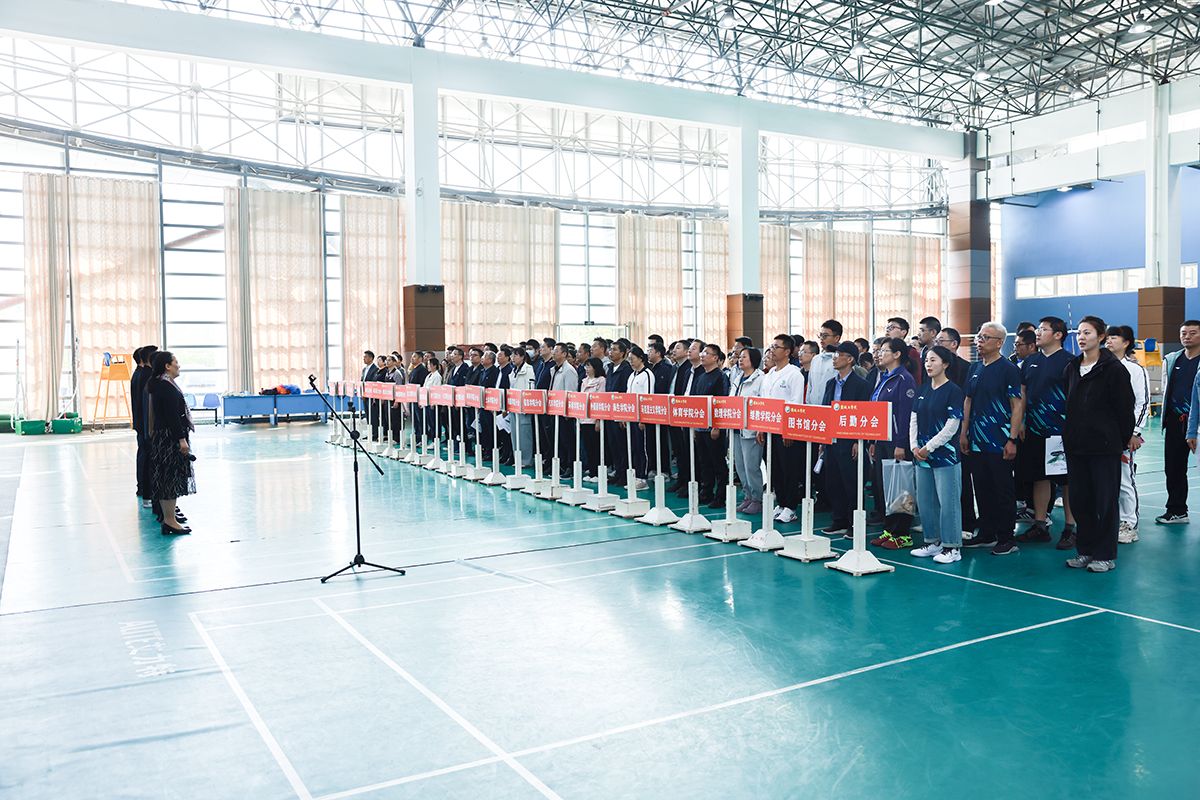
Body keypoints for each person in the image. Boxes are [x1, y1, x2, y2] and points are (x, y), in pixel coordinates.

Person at [1063, 316, 1134, 573]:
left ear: (1101, 337)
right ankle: (1085, 550)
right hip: (1076, 447)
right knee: (1081, 501)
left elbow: (1125, 410)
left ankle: (1104, 554)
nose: (1081, 337)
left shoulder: (1114, 370)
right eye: (1079, 333)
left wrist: (1118, 440)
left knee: (1105, 502)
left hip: (1105, 448)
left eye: (1088, 333)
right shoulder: (1072, 368)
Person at [961, 321, 1024, 556]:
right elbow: (968, 401)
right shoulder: (975, 368)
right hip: (976, 440)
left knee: (1002, 489)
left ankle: (1007, 537)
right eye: (978, 336)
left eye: (985, 337)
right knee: (982, 487)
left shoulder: (1008, 369)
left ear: (999, 343)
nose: (979, 341)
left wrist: (1012, 439)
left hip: (999, 440)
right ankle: (986, 533)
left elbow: (1016, 405)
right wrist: (964, 432)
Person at [1014, 316, 1075, 548]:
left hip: (1060, 433)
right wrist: (1020, 422)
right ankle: (1040, 525)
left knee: (1066, 481)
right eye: (1038, 329)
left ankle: (1070, 528)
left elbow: (1075, 397)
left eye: (1043, 329)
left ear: (1058, 335)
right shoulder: (1030, 361)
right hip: (1034, 430)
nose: (1038, 333)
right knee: (1039, 477)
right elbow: (1022, 394)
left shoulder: (1070, 362)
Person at [909, 346, 965, 564]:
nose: (928, 364)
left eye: (933, 360)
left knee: (948, 502)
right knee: (926, 501)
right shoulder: (923, 389)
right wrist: (914, 446)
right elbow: (914, 419)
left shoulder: (953, 391)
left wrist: (929, 447)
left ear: (945, 364)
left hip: (945, 457)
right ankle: (932, 542)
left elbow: (952, 426)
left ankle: (952, 547)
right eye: (926, 360)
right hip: (921, 456)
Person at [868, 337, 918, 550]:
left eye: (884, 350)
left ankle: (902, 533)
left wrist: (901, 443)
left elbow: (906, 415)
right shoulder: (885, 377)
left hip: (896, 442)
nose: (880, 354)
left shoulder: (904, 379)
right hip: (882, 440)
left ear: (897, 354)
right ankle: (889, 529)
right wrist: (873, 440)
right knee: (885, 486)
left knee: (901, 488)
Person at [820, 342, 871, 536]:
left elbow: (864, 414)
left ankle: (854, 524)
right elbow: (825, 411)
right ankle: (839, 520)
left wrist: (859, 441)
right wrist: (823, 440)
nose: (834, 358)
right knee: (833, 482)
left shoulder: (861, 385)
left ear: (850, 359)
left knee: (852, 483)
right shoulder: (830, 383)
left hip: (850, 441)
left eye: (839, 355)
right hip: (832, 439)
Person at [146, 351, 195, 535]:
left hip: (164, 436)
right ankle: (169, 520)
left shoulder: (161, 384)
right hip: (169, 438)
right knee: (169, 479)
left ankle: (169, 519)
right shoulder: (165, 386)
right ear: (167, 366)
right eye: (176, 362)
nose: (178, 365)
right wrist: (181, 439)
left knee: (166, 478)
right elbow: (172, 416)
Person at [1109, 326, 1148, 543]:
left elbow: (1142, 403)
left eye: (1114, 337)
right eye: (1107, 337)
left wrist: (1134, 432)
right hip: (1100, 435)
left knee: (1125, 480)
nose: (1109, 341)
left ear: (1126, 343)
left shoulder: (1135, 370)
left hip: (1124, 436)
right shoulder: (1098, 366)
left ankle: (1128, 524)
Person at [760, 334, 805, 523]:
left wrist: (789, 430)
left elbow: (796, 404)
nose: (772, 350)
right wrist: (760, 428)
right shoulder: (769, 374)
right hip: (769, 428)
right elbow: (763, 402)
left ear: (787, 351)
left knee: (789, 469)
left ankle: (791, 507)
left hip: (785, 430)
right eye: (771, 346)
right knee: (774, 467)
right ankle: (781, 503)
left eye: (776, 347)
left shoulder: (794, 374)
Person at [1159, 320, 1200, 525]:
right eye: (1184, 333)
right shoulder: (1172, 359)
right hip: (1176, 421)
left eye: (1192, 333)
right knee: (1174, 468)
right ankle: (1177, 511)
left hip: (1198, 424)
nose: (1187, 337)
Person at [690, 343, 730, 507]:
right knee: (704, 462)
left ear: (715, 358)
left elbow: (722, 403)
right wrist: (694, 427)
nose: (702, 355)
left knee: (718, 462)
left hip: (713, 428)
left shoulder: (721, 377)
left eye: (706, 353)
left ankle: (721, 496)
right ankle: (706, 492)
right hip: (700, 427)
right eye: (702, 352)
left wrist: (717, 426)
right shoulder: (701, 377)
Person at [731, 347, 764, 515]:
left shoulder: (761, 379)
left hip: (751, 430)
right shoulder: (737, 378)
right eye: (740, 357)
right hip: (736, 428)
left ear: (754, 360)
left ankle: (757, 499)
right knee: (740, 466)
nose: (740, 359)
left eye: (744, 357)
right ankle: (748, 496)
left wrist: (759, 428)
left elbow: (762, 404)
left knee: (752, 466)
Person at [131, 345, 156, 510]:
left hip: (141, 422)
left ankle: (141, 486)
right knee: (147, 456)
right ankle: (145, 488)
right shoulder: (146, 375)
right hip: (145, 423)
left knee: (143, 455)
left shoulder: (138, 374)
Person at [550, 342, 580, 477]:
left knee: (568, 440)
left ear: (564, 354)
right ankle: (561, 465)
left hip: (565, 412)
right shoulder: (554, 369)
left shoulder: (569, 370)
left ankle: (570, 467)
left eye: (556, 351)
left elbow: (571, 392)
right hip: (555, 409)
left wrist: (568, 411)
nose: (553, 353)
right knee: (559, 440)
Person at [647, 341, 674, 478]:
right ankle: (653, 467)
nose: (648, 353)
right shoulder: (649, 369)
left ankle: (664, 470)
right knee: (651, 440)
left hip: (662, 410)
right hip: (650, 410)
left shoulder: (666, 368)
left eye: (650, 351)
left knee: (662, 441)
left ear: (658, 353)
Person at [626, 346, 652, 489]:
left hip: (641, 418)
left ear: (641, 358)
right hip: (631, 417)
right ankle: (635, 476)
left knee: (643, 448)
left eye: (633, 359)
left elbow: (648, 397)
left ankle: (643, 478)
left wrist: (643, 418)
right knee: (634, 447)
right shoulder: (632, 375)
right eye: (629, 359)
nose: (631, 362)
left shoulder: (647, 374)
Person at [579, 358, 606, 481]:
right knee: (588, 447)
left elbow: (601, 401)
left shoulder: (601, 381)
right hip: (584, 418)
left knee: (596, 447)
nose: (586, 369)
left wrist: (598, 420)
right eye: (586, 366)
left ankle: (597, 473)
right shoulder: (584, 381)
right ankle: (591, 471)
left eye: (589, 366)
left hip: (594, 419)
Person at [806, 320, 840, 403]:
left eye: (825, 336)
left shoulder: (840, 360)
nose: (821, 339)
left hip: (830, 407)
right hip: (813, 407)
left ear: (836, 338)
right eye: (820, 335)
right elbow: (810, 386)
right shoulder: (816, 359)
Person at [884, 317, 922, 384]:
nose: (887, 330)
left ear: (903, 332)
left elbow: (917, 378)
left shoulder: (911, 352)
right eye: (887, 328)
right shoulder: (883, 351)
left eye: (892, 327)